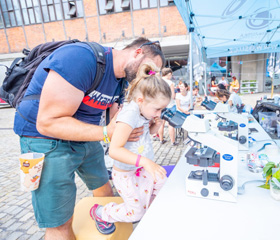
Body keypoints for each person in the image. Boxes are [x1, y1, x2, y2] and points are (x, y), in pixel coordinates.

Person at [13, 37, 165, 239]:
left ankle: (102, 219)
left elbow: (115, 124)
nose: (150, 76)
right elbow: (47, 123)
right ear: (138, 52)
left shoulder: (120, 82)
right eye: (150, 69)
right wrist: (106, 133)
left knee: (104, 190)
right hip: (43, 139)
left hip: (86, 138)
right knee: (60, 222)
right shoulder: (80, 58)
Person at [89, 63, 171, 234]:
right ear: (140, 100)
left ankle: (150, 214)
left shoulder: (144, 111)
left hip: (140, 168)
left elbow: (145, 134)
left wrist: (155, 127)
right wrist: (146, 162)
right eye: (157, 109)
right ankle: (101, 213)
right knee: (135, 212)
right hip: (126, 173)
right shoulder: (129, 114)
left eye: (162, 109)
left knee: (162, 182)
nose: (159, 113)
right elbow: (115, 150)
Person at [158, 67, 177, 146]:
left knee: (161, 123)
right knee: (171, 124)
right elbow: (172, 96)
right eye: (171, 75)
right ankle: (173, 141)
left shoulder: (158, 81)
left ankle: (161, 140)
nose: (171, 76)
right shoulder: (170, 83)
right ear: (169, 74)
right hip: (170, 105)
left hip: (160, 105)